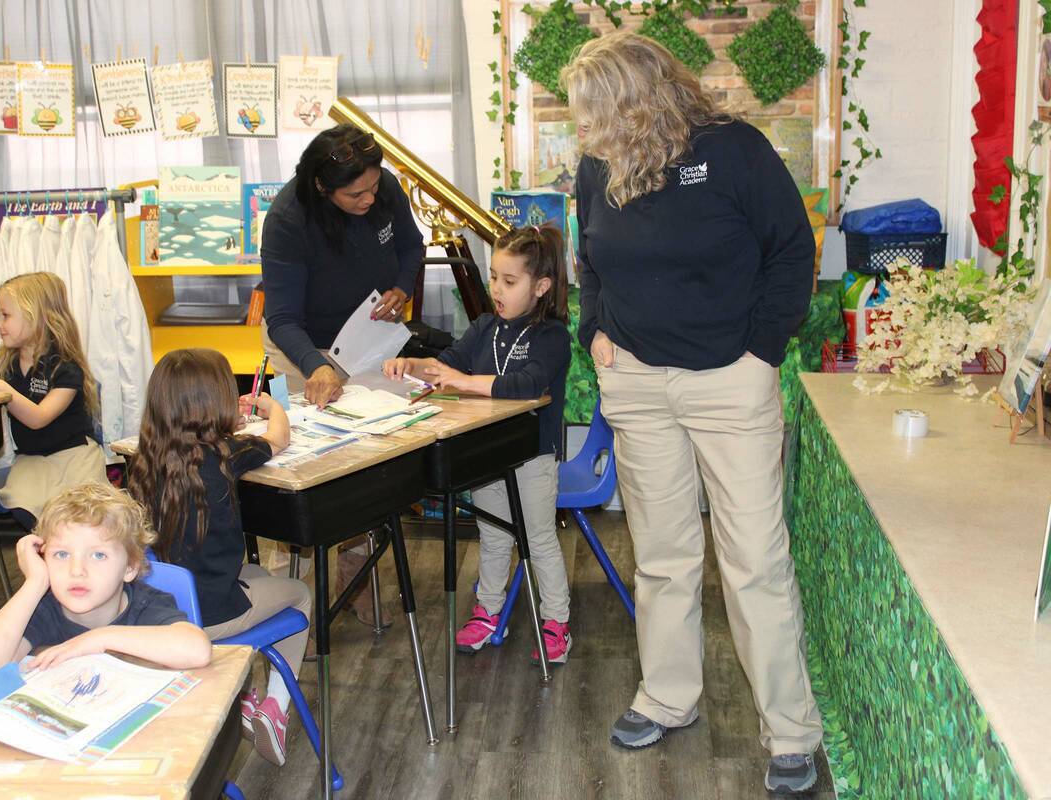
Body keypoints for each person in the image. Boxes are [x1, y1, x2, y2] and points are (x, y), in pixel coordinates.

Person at [561, 31, 823, 794]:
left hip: (729, 382)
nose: (583, 128)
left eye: (592, 112)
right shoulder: (597, 166)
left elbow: (790, 250)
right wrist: (596, 331)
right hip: (638, 384)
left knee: (754, 564)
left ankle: (791, 731)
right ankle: (668, 697)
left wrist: (761, 353)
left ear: (635, 103)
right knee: (665, 554)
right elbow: (590, 262)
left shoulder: (734, 151)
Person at [259, 122, 426, 621]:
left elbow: (411, 248)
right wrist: (316, 365)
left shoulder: (381, 186)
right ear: (321, 187)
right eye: (356, 194)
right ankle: (292, 608)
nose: (371, 199)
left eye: (375, 187)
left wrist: (401, 287)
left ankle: (356, 568)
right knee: (300, 472)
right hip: (302, 346)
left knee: (366, 461)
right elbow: (282, 317)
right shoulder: (288, 219)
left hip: (368, 339)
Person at [383, 226, 573, 663]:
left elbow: (528, 385)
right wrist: (414, 364)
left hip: (534, 460)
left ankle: (556, 620)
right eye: (493, 278)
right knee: (492, 536)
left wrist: (464, 382)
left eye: (510, 281)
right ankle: (488, 612)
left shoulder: (552, 337)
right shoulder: (484, 327)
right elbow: (446, 364)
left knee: (539, 538)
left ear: (540, 287)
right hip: (487, 455)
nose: (496, 290)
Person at [126, 348, 311, 767]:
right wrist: (272, 406)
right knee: (298, 593)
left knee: (258, 572)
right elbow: (280, 437)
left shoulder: (142, 460)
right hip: (210, 617)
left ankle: (241, 697)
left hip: (160, 611)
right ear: (216, 405)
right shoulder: (224, 455)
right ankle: (274, 711)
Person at [0, 482, 212, 678]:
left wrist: (98, 639)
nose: (77, 570)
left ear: (130, 567)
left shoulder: (146, 605)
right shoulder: (45, 609)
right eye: (61, 554)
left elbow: (197, 650)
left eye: (98, 555)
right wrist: (35, 583)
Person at [0, 272, 107, 530]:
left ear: (36, 316)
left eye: (5, 315)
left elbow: (38, 418)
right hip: (32, 458)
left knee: (79, 518)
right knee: (25, 508)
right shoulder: (1, 363)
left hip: (75, 455)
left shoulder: (65, 367)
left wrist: (3, 388)